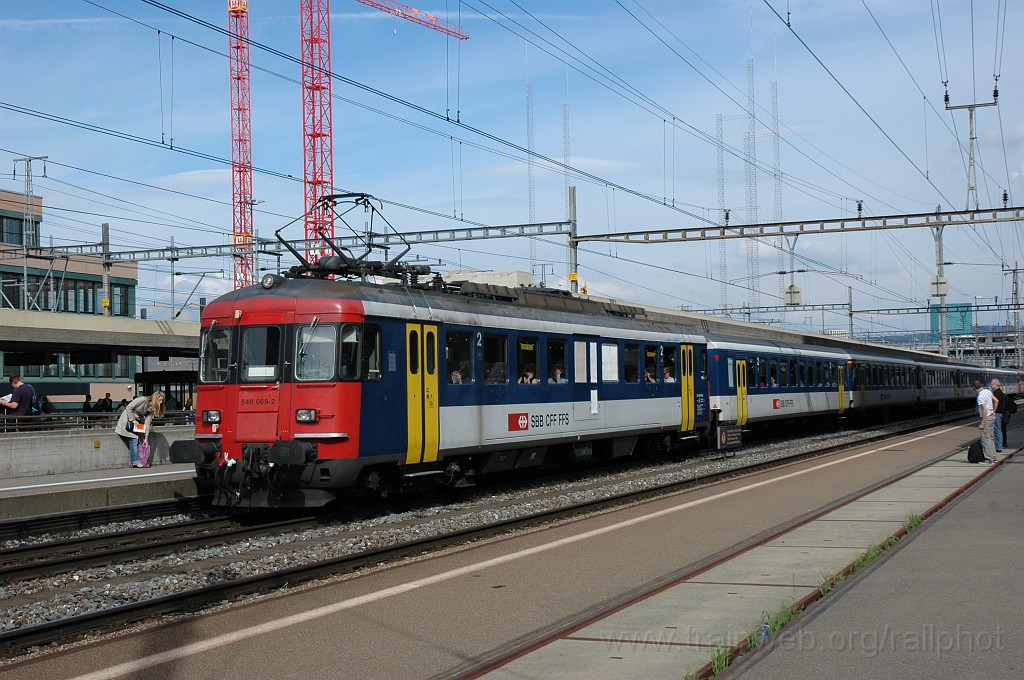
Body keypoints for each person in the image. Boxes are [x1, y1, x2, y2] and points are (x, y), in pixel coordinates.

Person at [115, 390, 165, 468]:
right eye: (160, 400)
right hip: (127, 421)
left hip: (136, 424)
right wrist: (133, 420)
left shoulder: (151, 409)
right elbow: (128, 407)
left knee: (137, 441)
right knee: (134, 439)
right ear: (155, 399)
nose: (161, 402)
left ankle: (134, 461)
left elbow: (147, 423)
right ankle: (136, 462)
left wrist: (146, 437)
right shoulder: (142, 400)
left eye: (162, 400)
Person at [972, 380, 996, 464]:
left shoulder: (980, 397)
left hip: (986, 418)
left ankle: (988, 458)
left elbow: (984, 410)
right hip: (991, 417)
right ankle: (993, 457)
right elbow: (996, 401)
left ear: (974, 388)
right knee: (991, 438)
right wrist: (993, 411)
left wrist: (982, 423)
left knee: (985, 438)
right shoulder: (987, 391)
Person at [991, 379, 1008, 453]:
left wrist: (993, 411)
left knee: (997, 430)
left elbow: (996, 402)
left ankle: (999, 447)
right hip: (1001, 413)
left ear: (996, 385)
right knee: (999, 430)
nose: (991, 385)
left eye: (992, 384)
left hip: (997, 413)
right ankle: (999, 445)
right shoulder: (1001, 392)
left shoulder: (996, 393)